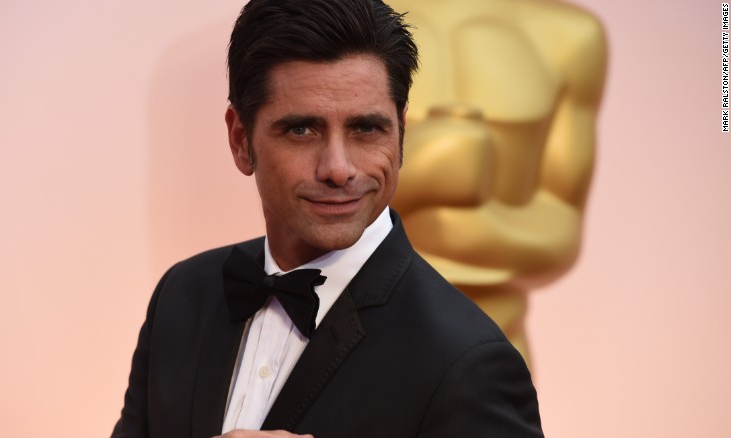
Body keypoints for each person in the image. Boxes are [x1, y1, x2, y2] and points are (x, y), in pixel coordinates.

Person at [112, 0, 543, 437]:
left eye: (366, 129)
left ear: (401, 135)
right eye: (302, 129)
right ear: (241, 140)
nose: (338, 168)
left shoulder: (468, 362)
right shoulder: (181, 295)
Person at [388, 0, 607, 366]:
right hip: (352, 339)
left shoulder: (571, 36)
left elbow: (561, 228)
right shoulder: (332, 16)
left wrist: (461, 223)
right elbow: (300, 203)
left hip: (494, 346)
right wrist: (424, 165)